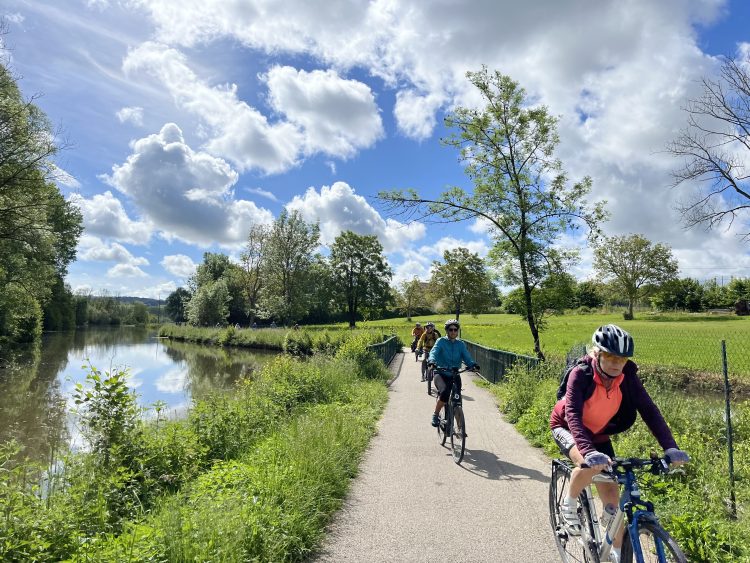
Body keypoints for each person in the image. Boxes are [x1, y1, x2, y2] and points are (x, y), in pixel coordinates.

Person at [550, 324, 689, 563]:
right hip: (566, 426)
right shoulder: (581, 373)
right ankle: (569, 503)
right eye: (611, 357)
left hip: (599, 433)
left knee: (613, 495)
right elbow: (572, 412)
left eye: (622, 359)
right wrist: (587, 450)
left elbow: (648, 409)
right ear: (598, 353)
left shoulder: (627, 377)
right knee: (587, 463)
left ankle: (615, 553)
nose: (616, 364)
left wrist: (670, 447)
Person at [427, 319, 479, 427]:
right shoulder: (441, 341)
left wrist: (472, 364)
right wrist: (431, 361)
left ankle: (460, 427)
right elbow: (434, 352)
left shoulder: (460, 344)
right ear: (446, 330)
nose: (453, 332)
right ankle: (436, 414)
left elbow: (467, 357)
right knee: (445, 392)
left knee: (457, 399)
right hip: (440, 373)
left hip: (455, 374)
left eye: (456, 329)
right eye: (451, 329)